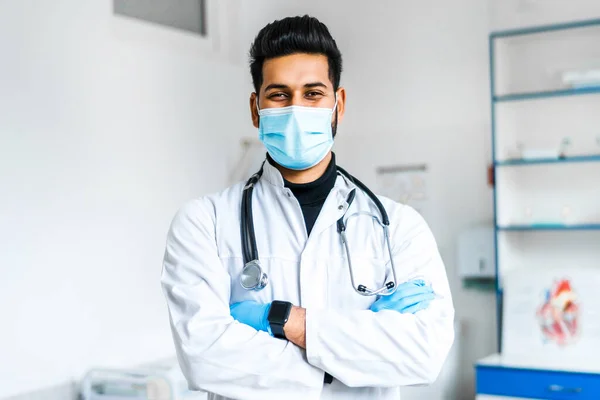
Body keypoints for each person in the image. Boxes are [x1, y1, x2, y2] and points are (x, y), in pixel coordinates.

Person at [161, 15, 454, 400]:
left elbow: (424, 354)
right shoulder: (204, 223)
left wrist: (284, 322)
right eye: (279, 95)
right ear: (256, 109)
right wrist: (357, 349)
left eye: (313, 94)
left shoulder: (398, 227)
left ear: (339, 104)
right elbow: (204, 357)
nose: (296, 108)